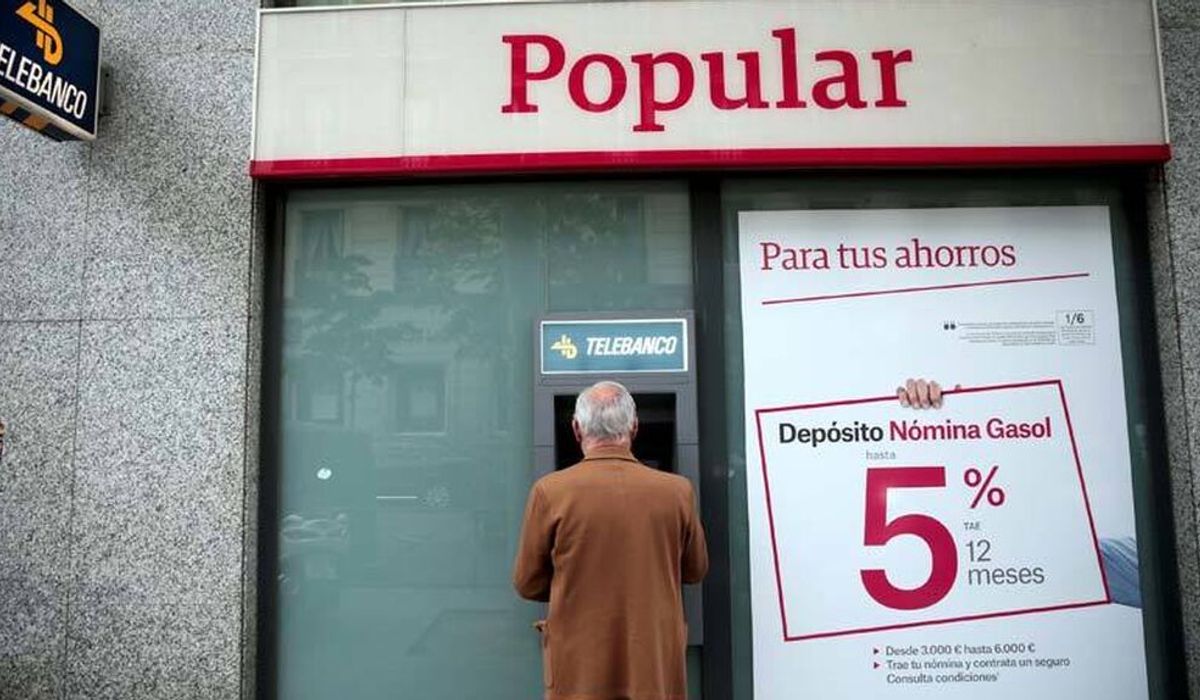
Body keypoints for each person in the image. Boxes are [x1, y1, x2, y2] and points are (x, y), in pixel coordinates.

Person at [513, 380, 709, 700]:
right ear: (634, 428)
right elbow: (695, 570)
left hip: (580, 665)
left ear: (577, 429)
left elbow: (527, 583)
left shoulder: (550, 491)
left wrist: (576, 580)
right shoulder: (678, 491)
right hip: (653, 662)